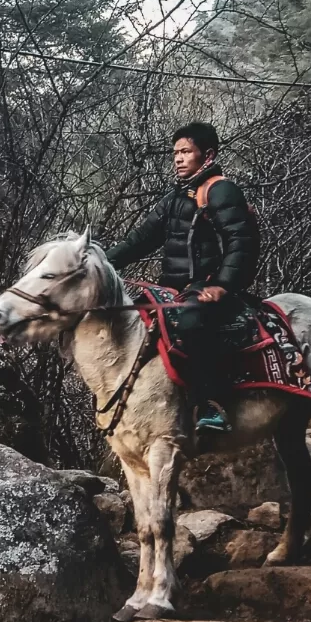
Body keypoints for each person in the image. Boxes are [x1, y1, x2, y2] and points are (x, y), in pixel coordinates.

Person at [105, 121, 259, 433]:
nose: (177, 158)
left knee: (189, 324)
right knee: (129, 319)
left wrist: (222, 285)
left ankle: (211, 405)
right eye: (175, 152)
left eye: (186, 152)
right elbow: (140, 240)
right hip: (172, 288)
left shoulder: (220, 190)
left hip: (208, 287)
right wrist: (98, 262)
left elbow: (241, 242)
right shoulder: (175, 197)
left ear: (209, 154)